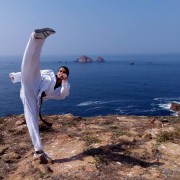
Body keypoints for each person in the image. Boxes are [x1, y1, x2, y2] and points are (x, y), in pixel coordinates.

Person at [9, 28, 70, 163]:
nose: (60, 72)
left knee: (32, 120)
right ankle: (37, 38)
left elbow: (64, 95)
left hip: (33, 97)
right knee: (32, 65)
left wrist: (65, 82)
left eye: (63, 72)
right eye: (60, 70)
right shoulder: (49, 73)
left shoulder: (57, 90)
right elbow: (31, 71)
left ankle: (38, 149)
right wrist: (16, 76)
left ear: (66, 75)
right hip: (34, 81)